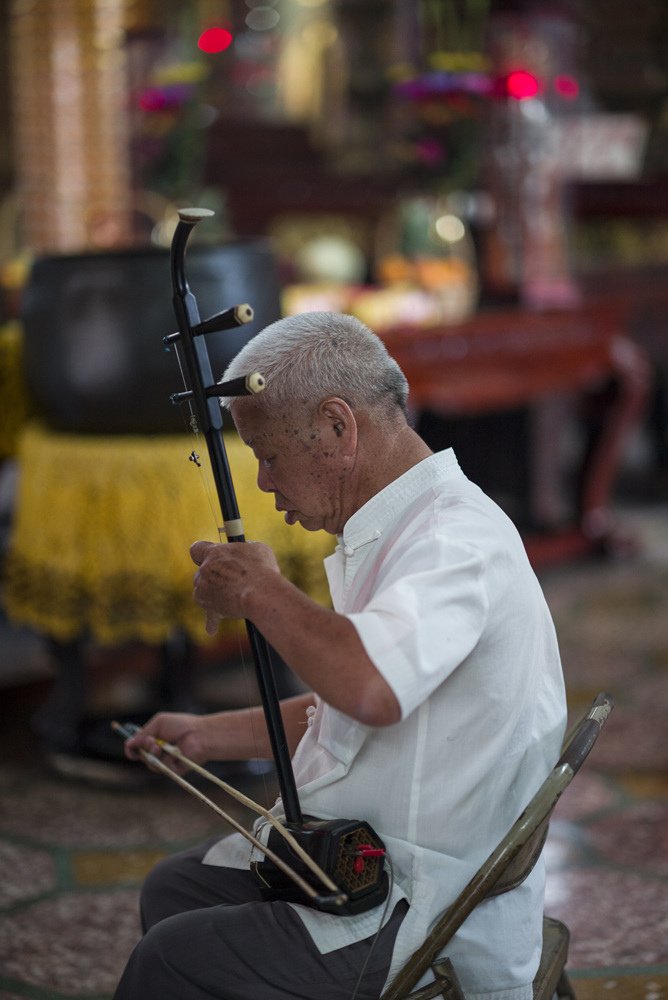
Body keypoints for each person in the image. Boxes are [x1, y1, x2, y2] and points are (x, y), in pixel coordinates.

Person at [114, 311, 567, 1000]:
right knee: (173, 888)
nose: (264, 482)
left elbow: (370, 688)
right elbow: (345, 710)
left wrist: (260, 591)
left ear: (336, 426)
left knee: (174, 959)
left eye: (268, 454)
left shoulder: (454, 541)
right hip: (368, 857)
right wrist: (208, 734)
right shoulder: (398, 527)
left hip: (418, 896)